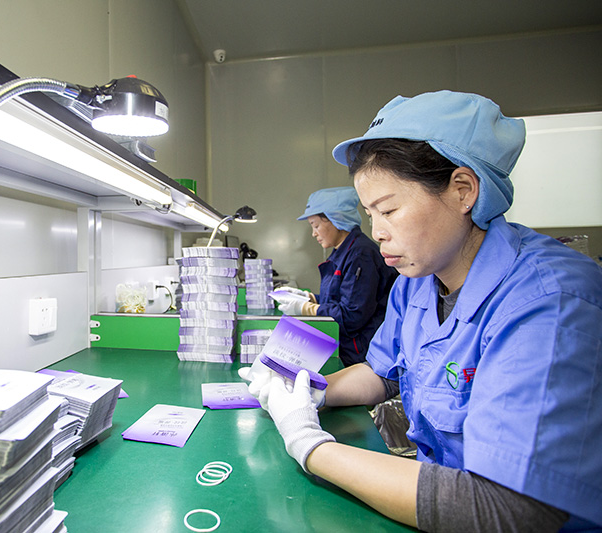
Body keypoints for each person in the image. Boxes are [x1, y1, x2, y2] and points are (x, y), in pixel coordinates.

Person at [241, 91, 602, 531]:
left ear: (463, 190)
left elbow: (506, 508)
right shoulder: (416, 281)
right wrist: (308, 392)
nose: (378, 233)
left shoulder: (550, 302)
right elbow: (383, 373)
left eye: (389, 210)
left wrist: (309, 444)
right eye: (370, 215)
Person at [273, 186, 397, 366]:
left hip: (361, 353)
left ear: (336, 219)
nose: (314, 233)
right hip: (347, 347)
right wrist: (309, 298)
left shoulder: (361, 255)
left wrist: (307, 308)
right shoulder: (343, 251)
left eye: (316, 226)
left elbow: (352, 315)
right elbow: (340, 297)